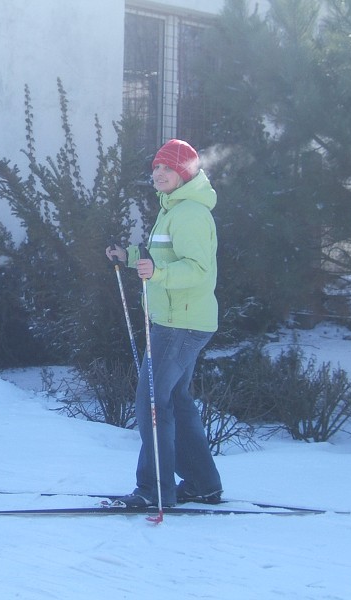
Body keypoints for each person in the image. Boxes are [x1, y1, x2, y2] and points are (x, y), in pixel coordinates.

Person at [105, 138, 222, 507]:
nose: (158, 173)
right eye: (156, 167)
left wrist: (158, 272)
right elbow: (164, 258)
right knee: (175, 400)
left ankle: (154, 489)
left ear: (184, 172)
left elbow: (199, 271)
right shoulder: (172, 209)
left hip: (180, 322)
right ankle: (203, 484)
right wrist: (131, 257)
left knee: (151, 403)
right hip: (179, 319)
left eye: (167, 168)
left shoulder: (190, 213)